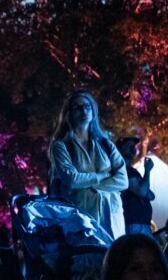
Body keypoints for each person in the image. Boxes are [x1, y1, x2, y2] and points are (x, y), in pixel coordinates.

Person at [47, 92, 129, 242]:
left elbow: (123, 181)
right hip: (81, 219)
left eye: (87, 106)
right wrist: (103, 175)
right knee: (85, 262)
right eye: (77, 108)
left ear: (93, 110)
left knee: (114, 262)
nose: (84, 111)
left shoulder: (106, 144)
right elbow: (72, 180)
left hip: (112, 217)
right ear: (68, 114)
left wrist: (90, 185)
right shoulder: (61, 146)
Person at [117, 136, 155, 237]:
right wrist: (147, 171)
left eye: (133, 146)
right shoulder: (123, 171)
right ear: (119, 149)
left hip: (141, 223)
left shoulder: (132, 171)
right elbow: (143, 191)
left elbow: (151, 195)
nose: (132, 148)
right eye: (128, 145)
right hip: (134, 223)